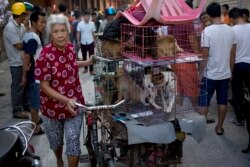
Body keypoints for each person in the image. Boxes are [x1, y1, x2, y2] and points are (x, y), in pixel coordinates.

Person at [35, 14, 94, 167]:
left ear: (68, 32)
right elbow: (44, 86)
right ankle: (59, 160)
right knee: (56, 142)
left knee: (73, 140)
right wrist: (65, 100)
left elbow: (71, 63)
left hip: (75, 105)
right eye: (56, 32)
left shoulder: (69, 47)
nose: (60, 35)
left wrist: (87, 62)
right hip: (52, 108)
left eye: (63, 31)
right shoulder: (45, 55)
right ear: (50, 34)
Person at [199, 2, 235, 135]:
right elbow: (233, 54)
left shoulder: (207, 31)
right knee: (222, 100)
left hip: (210, 74)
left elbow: (205, 55)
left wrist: (200, 73)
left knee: (204, 101)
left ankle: (201, 129)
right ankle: (219, 127)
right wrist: (230, 70)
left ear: (208, 15)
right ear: (220, 12)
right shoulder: (231, 30)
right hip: (225, 73)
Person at [229, 7, 250, 152]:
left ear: (232, 18)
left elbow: (232, 52)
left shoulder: (232, 31)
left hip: (238, 65)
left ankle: (240, 118)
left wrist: (230, 70)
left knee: (237, 93)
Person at [3, 2, 30, 118]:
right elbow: (19, 45)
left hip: (22, 60)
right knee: (17, 86)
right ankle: (17, 110)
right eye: (25, 14)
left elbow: (27, 38)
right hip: (15, 62)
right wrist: (29, 45)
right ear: (21, 14)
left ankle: (25, 104)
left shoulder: (22, 26)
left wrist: (28, 29)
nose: (26, 16)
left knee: (24, 85)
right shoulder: (10, 27)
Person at [22, 10, 46, 135]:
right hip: (35, 76)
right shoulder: (33, 37)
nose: (44, 25)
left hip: (35, 73)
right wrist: (24, 75)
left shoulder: (29, 34)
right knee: (35, 103)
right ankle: (35, 127)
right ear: (34, 23)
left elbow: (28, 55)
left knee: (35, 101)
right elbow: (26, 55)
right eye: (41, 22)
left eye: (44, 22)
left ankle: (36, 120)